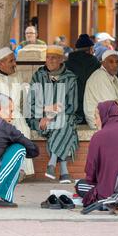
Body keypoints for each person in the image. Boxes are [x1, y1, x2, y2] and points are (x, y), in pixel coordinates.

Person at [0, 47, 35, 180]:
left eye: (14, 60)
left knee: (22, 130)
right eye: (11, 61)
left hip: (15, 115)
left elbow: (21, 102)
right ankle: (1, 170)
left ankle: (20, 170)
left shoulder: (17, 76)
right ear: (1, 63)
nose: (15, 64)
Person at [27, 45, 78, 184]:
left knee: (64, 121)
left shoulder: (70, 78)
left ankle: (52, 162)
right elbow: (30, 104)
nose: (50, 61)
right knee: (67, 127)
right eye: (48, 58)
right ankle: (63, 170)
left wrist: (52, 116)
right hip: (40, 119)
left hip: (60, 118)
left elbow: (72, 107)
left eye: (54, 58)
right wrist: (46, 111)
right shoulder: (38, 76)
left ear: (61, 59)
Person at [65, 34, 101, 125]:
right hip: (89, 108)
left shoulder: (66, 63)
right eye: (93, 50)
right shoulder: (94, 62)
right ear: (90, 50)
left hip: (70, 110)